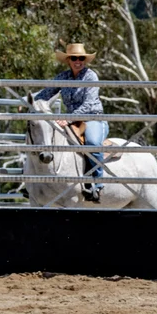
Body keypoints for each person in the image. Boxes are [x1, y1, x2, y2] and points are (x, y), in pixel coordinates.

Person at [34, 43, 106, 202]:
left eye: (81, 58)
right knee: (44, 137)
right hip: (71, 121)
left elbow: (89, 104)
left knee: (93, 143)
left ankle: (97, 184)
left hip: (92, 118)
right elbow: (45, 93)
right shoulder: (62, 77)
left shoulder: (91, 76)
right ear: (68, 60)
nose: (78, 61)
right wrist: (30, 102)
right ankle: (36, 184)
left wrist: (68, 118)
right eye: (74, 58)